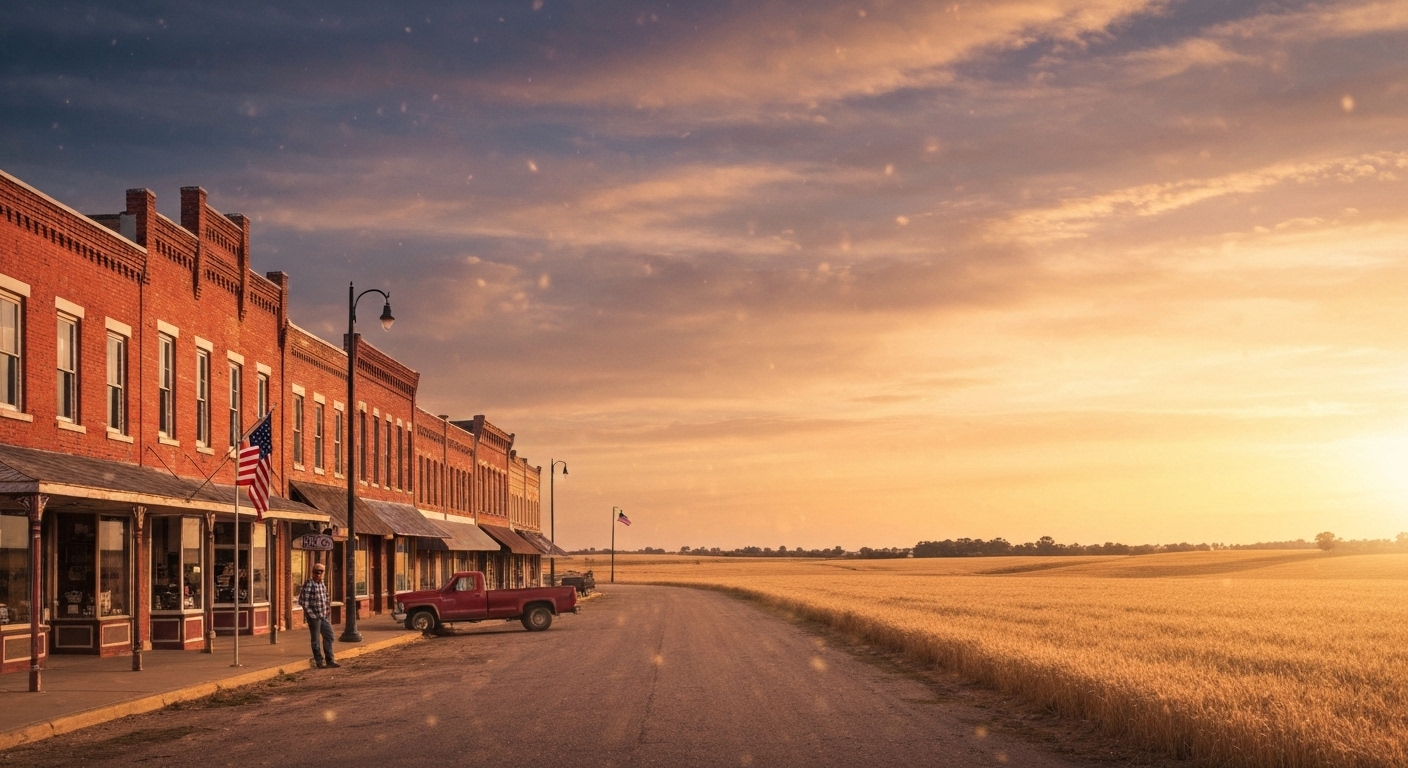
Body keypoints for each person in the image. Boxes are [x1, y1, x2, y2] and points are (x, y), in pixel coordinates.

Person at [298, 562, 339, 668]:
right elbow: (303, 601)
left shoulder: (322, 584)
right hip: (314, 617)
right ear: (312, 572)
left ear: (323, 573)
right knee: (315, 639)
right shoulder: (309, 584)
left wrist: (327, 611)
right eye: (316, 572)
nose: (318, 574)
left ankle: (330, 660)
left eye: (320, 572)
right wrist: (312, 615)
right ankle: (319, 661)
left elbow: (326, 598)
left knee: (329, 636)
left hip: (323, 616)